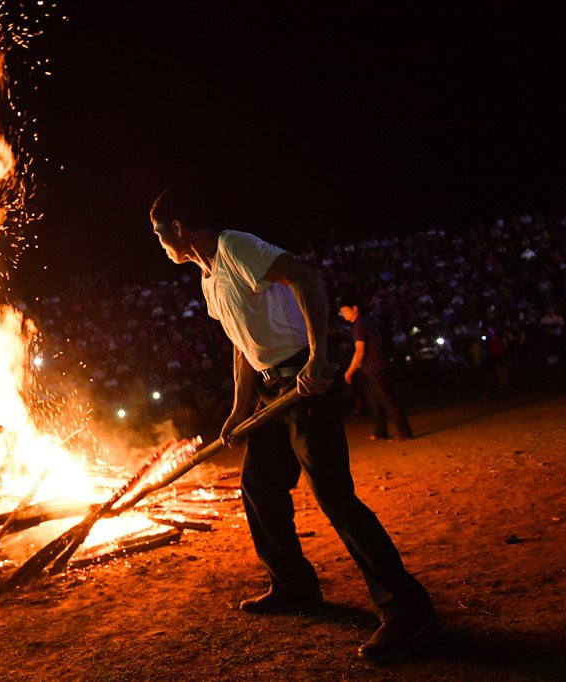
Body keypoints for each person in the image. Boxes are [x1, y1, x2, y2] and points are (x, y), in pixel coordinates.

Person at [149, 186, 436, 661]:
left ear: (177, 227)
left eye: (159, 235)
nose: (159, 246)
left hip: (305, 383)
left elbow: (306, 277)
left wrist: (320, 357)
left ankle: (408, 610)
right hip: (270, 390)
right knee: (259, 486)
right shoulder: (207, 278)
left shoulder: (235, 246)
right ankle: (294, 586)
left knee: (333, 495)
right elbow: (242, 347)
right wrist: (240, 409)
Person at [337, 298, 414, 441]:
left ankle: (404, 431)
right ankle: (380, 430)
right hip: (370, 368)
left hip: (375, 367)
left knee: (387, 399)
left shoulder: (359, 325)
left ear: (355, 308)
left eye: (345, 311)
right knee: (374, 401)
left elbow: (359, 351)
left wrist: (349, 372)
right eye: (341, 312)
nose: (343, 314)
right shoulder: (361, 323)